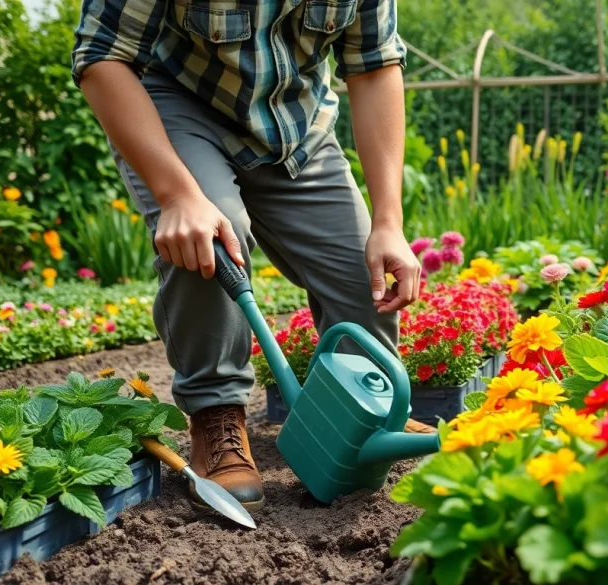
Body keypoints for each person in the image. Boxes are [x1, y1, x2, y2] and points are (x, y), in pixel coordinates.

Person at [72, 0, 421, 512]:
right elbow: (103, 55)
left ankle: (354, 415)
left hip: (296, 128)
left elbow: (374, 64)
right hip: (178, 107)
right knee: (212, 235)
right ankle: (216, 414)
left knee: (359, 268)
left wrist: (389, 221)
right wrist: (176, 196)